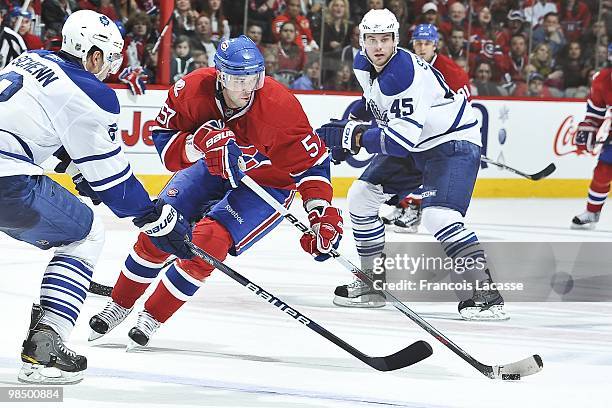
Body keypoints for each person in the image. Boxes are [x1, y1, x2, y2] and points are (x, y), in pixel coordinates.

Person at [88, 36, 343, 347]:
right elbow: (165, 141)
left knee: (208, 244)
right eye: (238, 79)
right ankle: (119, 304)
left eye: (254, 78)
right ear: (221, 75)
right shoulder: (191, 90)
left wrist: (321, 213)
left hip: (268, 183)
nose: (247, 88)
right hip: (209, 167)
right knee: (160, 227)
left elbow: (312, 166)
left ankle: (152, 316)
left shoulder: (280, 108)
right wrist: (198, 143)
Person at [0, 10, 192, 385]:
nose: (113, 66)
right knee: (86, 234)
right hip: (7, 181)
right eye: (110, 56)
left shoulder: (31, 59)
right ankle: (44, 347)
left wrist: (75, 170)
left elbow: (39, 128)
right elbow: (116, 184)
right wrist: (157, 220)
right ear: (91, 53)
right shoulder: (89, 92)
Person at [317, 10, 507, 321]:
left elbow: (397, 143)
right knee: (361, 196)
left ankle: (485, 292)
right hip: (417, 142)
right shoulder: (363, 65)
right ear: (361, 41)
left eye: (386, 39)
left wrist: (352, 136)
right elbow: (385, 115)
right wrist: (352, 136)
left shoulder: (402, 74)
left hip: (452, 143)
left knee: (438, 216)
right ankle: (372, 283)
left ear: (396, 40)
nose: (379, 47)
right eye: (372, 40)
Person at [382, 24, 471, 234]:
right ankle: (402, 205)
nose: (422, 48)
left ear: (435, 45)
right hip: (418, 127)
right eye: (418, 43)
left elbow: (464, 109)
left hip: (445, 132)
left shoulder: (453, 73)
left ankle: (415, 210)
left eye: (427, 43)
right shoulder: (408, 64)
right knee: (401, 163)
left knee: (427, 167)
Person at [571, 44, 611, 229]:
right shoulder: (602, 79)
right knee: (603, 171)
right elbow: (595, 114)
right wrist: (588, 129)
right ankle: (592, 212)